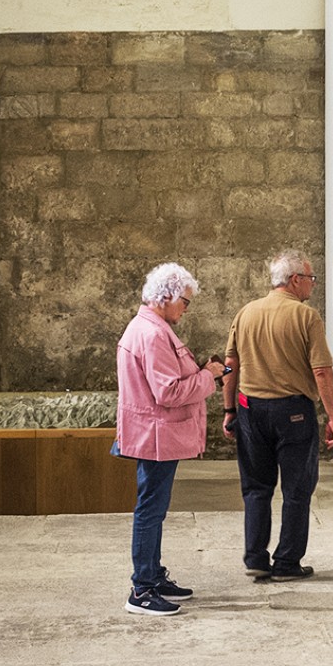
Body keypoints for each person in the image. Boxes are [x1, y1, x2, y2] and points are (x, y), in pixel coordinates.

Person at [222, 250, 333, 581]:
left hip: (250, 410)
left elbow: (230, 366)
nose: (313, 285)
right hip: (293, 413)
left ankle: (256, 558)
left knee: (256, 487)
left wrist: (229, 409)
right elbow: (321, 371)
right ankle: (287, 562)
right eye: (311, 278)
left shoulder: (246, 313)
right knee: (297, 489)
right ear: (295, 280)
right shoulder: (306, 317)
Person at [116, 262, 226, 616]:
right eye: (185, 301)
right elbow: (168, 392)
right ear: (165, 297)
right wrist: (209, 376)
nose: (187, 309)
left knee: (155, 509)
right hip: (155, 436)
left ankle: (153, 575)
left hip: (157, 434)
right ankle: (142, 589)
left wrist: (201, 372)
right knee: (150, 510)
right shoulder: (151, 334)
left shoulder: (153, 328)